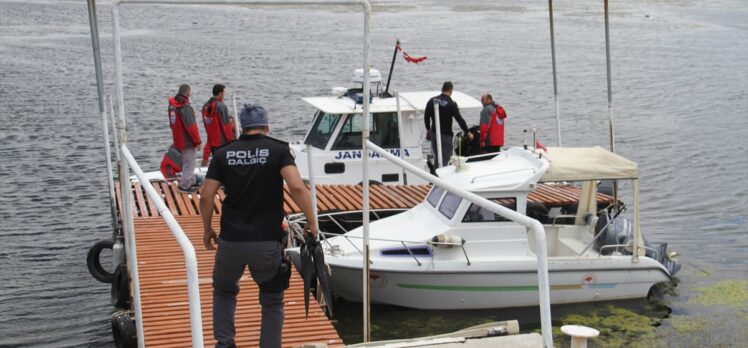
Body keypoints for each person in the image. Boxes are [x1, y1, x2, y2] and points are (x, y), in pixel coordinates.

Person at [199, 103, 319, 348]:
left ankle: (225, 344)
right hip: (266, 241)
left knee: (223, 291)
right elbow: (297, 187)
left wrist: (207, 228)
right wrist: (312, 222)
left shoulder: (223, 153)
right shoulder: (278, 150)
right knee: (272, 302)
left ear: (242, 127)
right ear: (266, 126)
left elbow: (206, 196)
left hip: (231, 240)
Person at [424, 81, 473, 168]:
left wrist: (428, 129)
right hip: (446, 136)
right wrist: (468, 132)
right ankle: (441, 179)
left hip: (434, 134)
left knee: (437, 158)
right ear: (451, 90)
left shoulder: (431, 101)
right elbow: (460, 120)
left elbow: (426, 117)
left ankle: (435, 177)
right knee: (445, 160)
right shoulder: (451, 104)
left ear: (442, 89)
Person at [168, 84, 202, 192]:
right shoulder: (186, 107)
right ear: (187, 93)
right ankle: (185, 185)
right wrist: (198, 141)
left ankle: (189, 180)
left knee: (186, 161)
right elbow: (191, 127)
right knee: (190, 163)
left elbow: (172, 124)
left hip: (178, 139)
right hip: (187, 141)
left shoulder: (172, 106)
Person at [201, 84, 236, 166]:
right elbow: (226, 126)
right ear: (220, 93)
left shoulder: (205, 106)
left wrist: (205, 157)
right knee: (224, 165)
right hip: (222, 143)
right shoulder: (221, 106)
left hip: (213, 142)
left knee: (217, 164)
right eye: (224, 92)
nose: (224, 94)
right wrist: (231, 142)